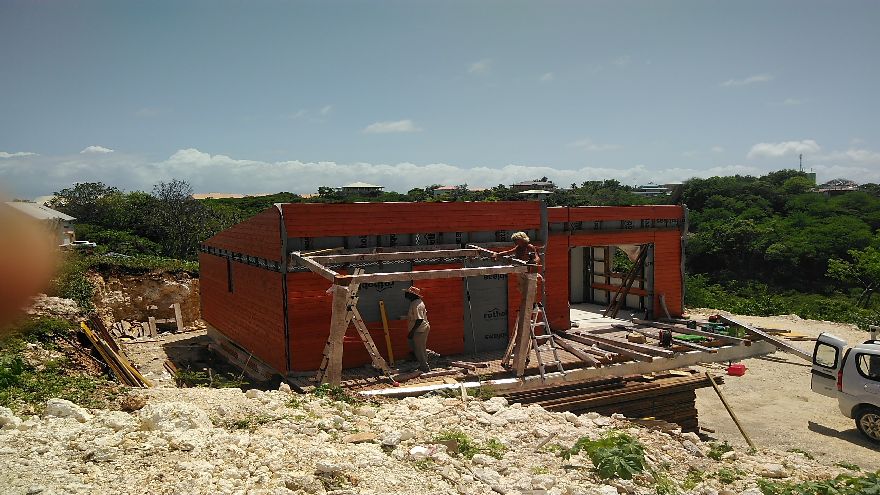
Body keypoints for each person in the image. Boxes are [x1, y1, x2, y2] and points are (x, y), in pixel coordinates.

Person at [403, 286, 431, 372]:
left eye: (407, 293)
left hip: (420, 330)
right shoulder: (415, 302)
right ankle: (423, 364)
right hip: (419, 329)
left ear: (412, 295)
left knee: (420, 350)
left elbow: (419, 319)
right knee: (418, 348)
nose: (405, 294)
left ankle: (425, 368)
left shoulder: (416, 304)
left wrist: (412, 332)